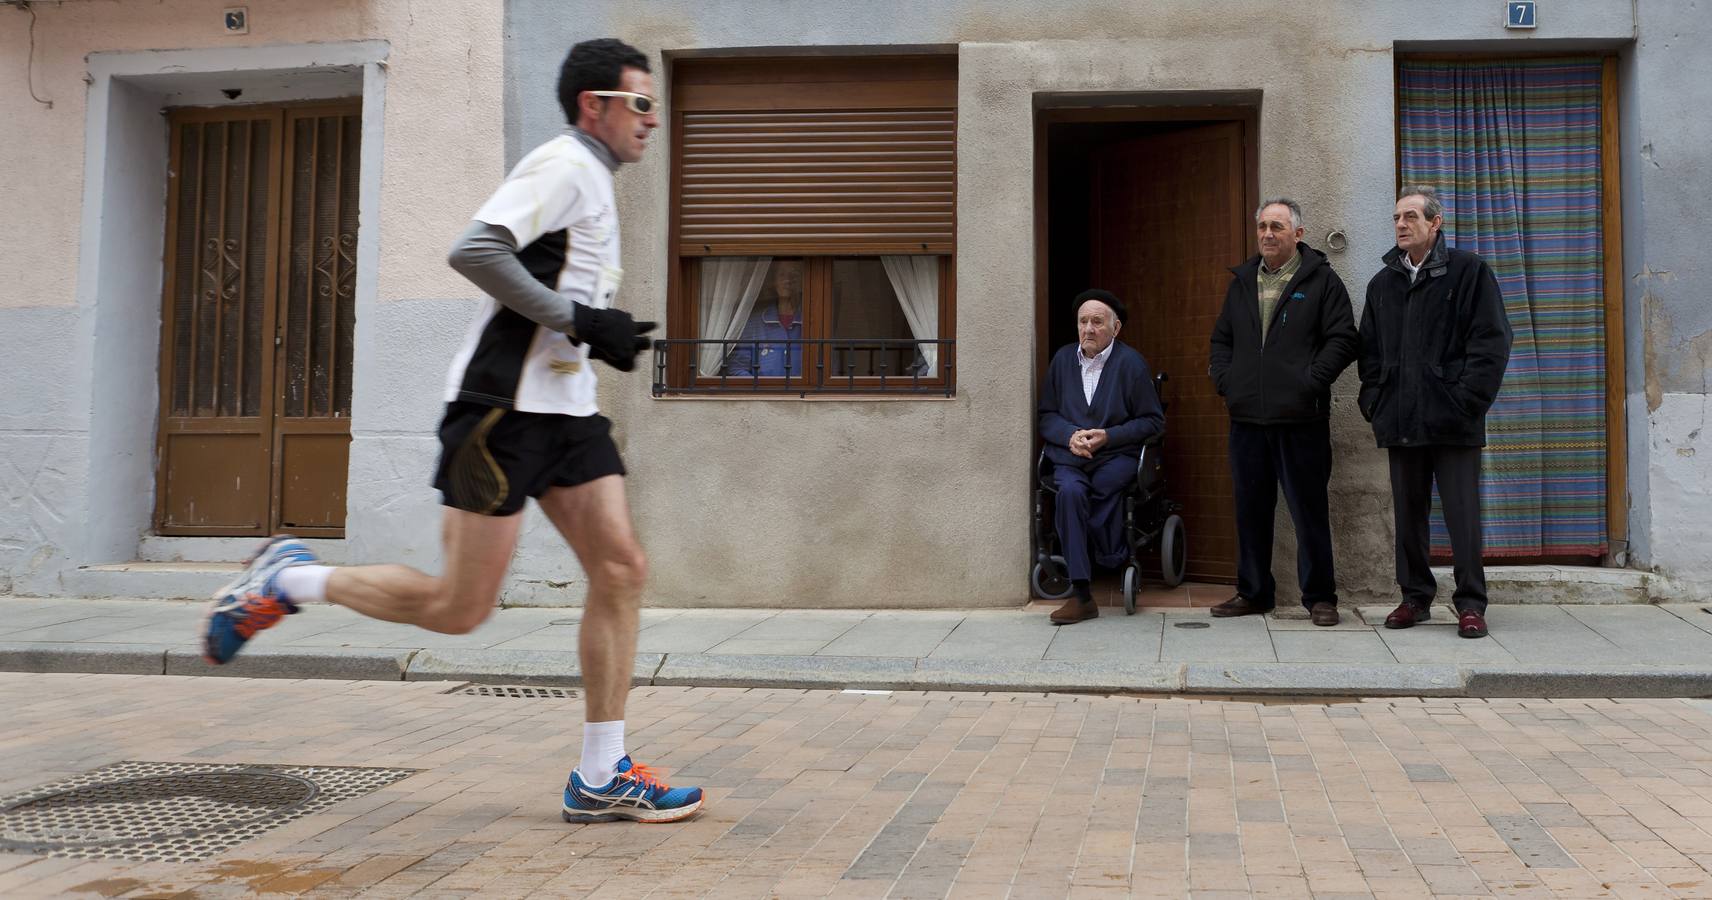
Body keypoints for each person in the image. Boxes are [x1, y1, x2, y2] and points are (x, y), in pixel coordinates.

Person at [199, 39, 704, 823]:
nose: (653, 120)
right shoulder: (562, 165)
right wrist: (578, 317)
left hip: (567, 413)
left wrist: (590, 331)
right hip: (500, 415)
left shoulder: (595, 180)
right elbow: (472, 249)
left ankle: (601, 773)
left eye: (653, 105)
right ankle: (286, 579)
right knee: (458, 609)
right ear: (592, 106)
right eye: (640, 103)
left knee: (620, 567)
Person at [1358, 185, 1512, 639]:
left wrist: (1465, 401)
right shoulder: (1382, 283)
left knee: (1462, 516)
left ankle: (1470, 603)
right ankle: (1415, 598)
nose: (1401, 225)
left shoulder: (1469, 273)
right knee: (1408, 514)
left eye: (1410, 217)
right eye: (1397, 218)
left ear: (1434, 223)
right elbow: (1368, 350)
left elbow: (1492, 344)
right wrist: (1374, 399)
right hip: (1401, 418)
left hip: (1454, 422)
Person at [1207, 198, 1358, 626]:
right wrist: (1226, 380)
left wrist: (1310, 381)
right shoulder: (1241, 283)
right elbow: (1221, 342)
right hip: (1247, 420)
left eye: (1277, 226)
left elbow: (1344, 339)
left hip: (1301, 420)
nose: (1268, 234)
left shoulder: (1323, 282)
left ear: (1298, 234)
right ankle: (1253, 592)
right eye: (1262, 227)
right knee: (1250, 511)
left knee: (1308, 510)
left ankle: (1320, 597)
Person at [1038, 289, 1165, 625]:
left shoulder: (1131, 363)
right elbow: (1047, 415)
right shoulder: (1063, 360)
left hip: (1115, 456)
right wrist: (1069, 436)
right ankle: (1081, 594)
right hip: (1070, 457)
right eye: (1083, 321)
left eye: (1097, 321)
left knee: (1104, 486)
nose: (1088, 329)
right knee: (1070, 493)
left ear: (1115, 328)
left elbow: (1153, 421)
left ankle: (1109, 555)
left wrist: (1109, 435)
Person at [726, 262, 805, 377]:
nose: (788, 280)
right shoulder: (754, 322)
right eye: (782, 275)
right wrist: (760, 390)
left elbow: (829, 368)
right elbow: (737, 368)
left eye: (794, 274)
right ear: (774, 282)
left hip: (803, 394)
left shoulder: (814, 321)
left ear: (803, 281)